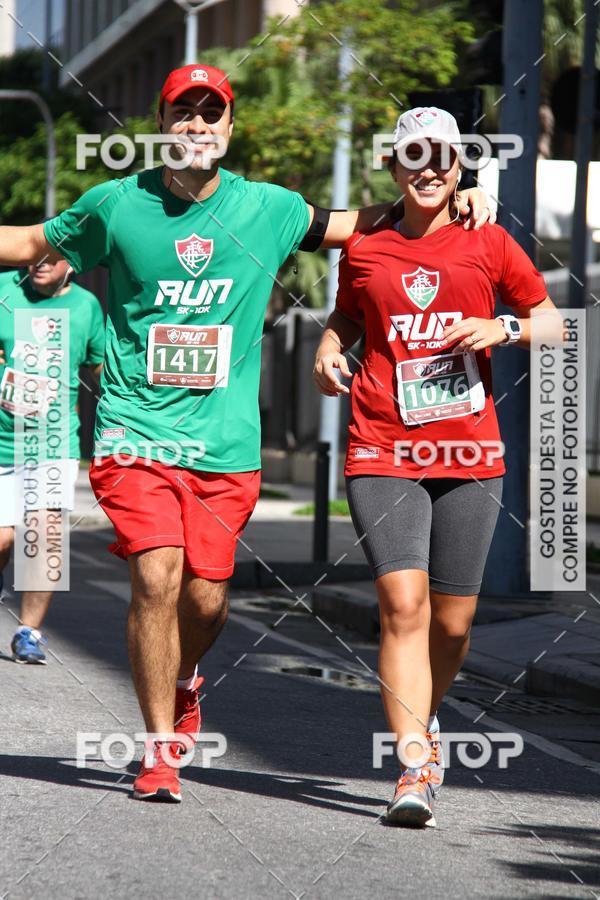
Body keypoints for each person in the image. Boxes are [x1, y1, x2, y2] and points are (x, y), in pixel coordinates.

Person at [0, 67, 493, 803]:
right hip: (136, 432)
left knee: (205, 599)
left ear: (229, 128)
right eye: (184, 111)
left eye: (211, 112)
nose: (198, 124)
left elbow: (362, 225)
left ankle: (187, 678)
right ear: (161, 122)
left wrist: (458, 198)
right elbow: (34, 239)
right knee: (156, 575)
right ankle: (159, 748)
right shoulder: (116, 204)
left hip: (225, 446)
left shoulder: (266, 208)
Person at [313, 106, 561, 828]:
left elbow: (550, 317)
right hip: (383, 445)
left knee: (453, 625)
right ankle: (413, 765)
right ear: (392, 164)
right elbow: (349, 317)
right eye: (413, 154)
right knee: (403, 607)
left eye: (443, 157)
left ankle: (425, 720)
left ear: (459, 168)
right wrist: (330, 349)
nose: (429, 167)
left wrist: (503, 326)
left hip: (468, 451)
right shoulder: (364, 245)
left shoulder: (487, 238)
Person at [0, 256, 104, 662]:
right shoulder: (6, 289)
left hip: (54, 442)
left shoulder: (86, 306)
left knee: (44, 537)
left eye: (52, 257)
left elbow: (99, 367)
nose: (39, 263)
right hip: (3, 440)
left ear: (73, 265)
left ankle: (29, 632)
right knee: (5, 537)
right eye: (34, 256)